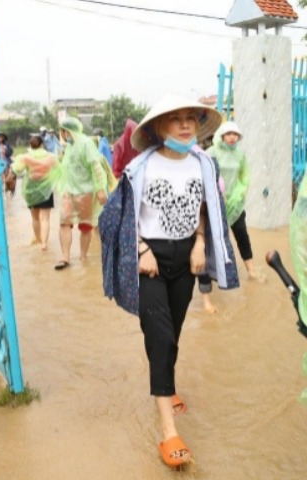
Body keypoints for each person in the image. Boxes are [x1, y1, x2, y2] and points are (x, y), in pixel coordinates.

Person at [99, 95, 239, 468]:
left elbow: (209, 207)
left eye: (190, 118)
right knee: (160, 334)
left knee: (172, 333)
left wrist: (200, 243)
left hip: (186, 258)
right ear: (158, 129)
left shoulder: (204, 164)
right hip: (149, 260)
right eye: (174, 119)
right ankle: (168, 430)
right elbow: (116, 217)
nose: (184, 125)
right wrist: (140, 249)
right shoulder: (141, 167)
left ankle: (168, 385)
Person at [198, 121, 256, 313]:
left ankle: (251, 270)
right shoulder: (212, 152)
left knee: (241, 235)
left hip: (234, 204)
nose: (232, 137)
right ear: (221, 135)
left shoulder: (240, 155)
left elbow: (245, 174)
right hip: (214, 204)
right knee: (209, 244)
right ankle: (208, 289)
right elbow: (204, 174)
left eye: (235, 134)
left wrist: (241, 191)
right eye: (228, 133)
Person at [54, 117, 107, 270]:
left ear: (67, 131)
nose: (62, 134)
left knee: (86, 226)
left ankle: (83, 256)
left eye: (62, 131)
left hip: (86, 192)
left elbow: (96, 167)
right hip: (69, 192)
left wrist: (101, 190)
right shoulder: (70, 146)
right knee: (64, 222)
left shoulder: (85, 143)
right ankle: (65, 258)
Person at [10, 132, 59, 250]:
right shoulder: (51, 157)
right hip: (46, 190)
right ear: (42, 144)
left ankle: (38, 239)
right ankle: (44, 244)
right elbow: (59, 170)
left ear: (30, 145)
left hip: (31, 190)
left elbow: (16, 170)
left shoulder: (25, 157)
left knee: (35, 218)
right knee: (45, 219)